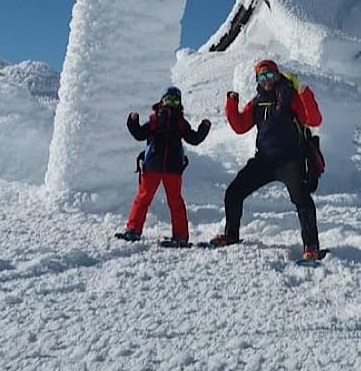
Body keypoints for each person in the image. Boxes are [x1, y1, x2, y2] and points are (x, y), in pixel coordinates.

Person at [209, 59, 324, 260]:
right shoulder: (256, 101)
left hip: (291, 160)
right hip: (264, 160)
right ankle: (231, 236)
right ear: (257, 79)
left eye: (270, 75)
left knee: (302, 199)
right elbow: (240, 126)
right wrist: (231, 102)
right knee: (234, 193)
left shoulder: (290, 96)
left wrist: (303, 90)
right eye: (262, 77)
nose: (267, 80)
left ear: (277, 75)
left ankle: (311, 246)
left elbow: (314, 120)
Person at [116, 86, 210, 246]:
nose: (171, 103)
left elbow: (193, 139)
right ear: (162, 101)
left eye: (175, 100)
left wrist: (204, 128)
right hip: (153, 166)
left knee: (175, 202)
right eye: (168, 99)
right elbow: (139, 134)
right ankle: (133, 230)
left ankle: (180, 236)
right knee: (143, 198)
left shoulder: (181, 123)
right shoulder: (154, 120)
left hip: (172, 169)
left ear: (179, 103)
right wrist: (133, 122)